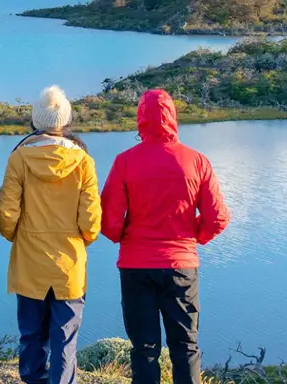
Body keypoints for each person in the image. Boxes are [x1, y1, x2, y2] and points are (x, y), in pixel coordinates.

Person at [100, 89, 231, 384]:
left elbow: (108, 221)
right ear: (173, 117)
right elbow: (218, 218)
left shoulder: (125, 162)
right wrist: (190, 237)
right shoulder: (197, 161)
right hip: (181, 267)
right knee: (185, 347)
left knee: (144, 348)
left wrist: (126, 236)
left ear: (140, 119)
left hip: (135, 266)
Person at [0, 85, 101, 384]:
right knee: (65, 341)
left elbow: (6, 214)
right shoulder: (83, 161)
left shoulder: (19, 158)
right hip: (69, 264)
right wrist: (81, 240)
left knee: (31, 337)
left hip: (30, 264)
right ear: (65, 122)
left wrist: (17, 237)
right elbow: (91, 219)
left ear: (36, 120)